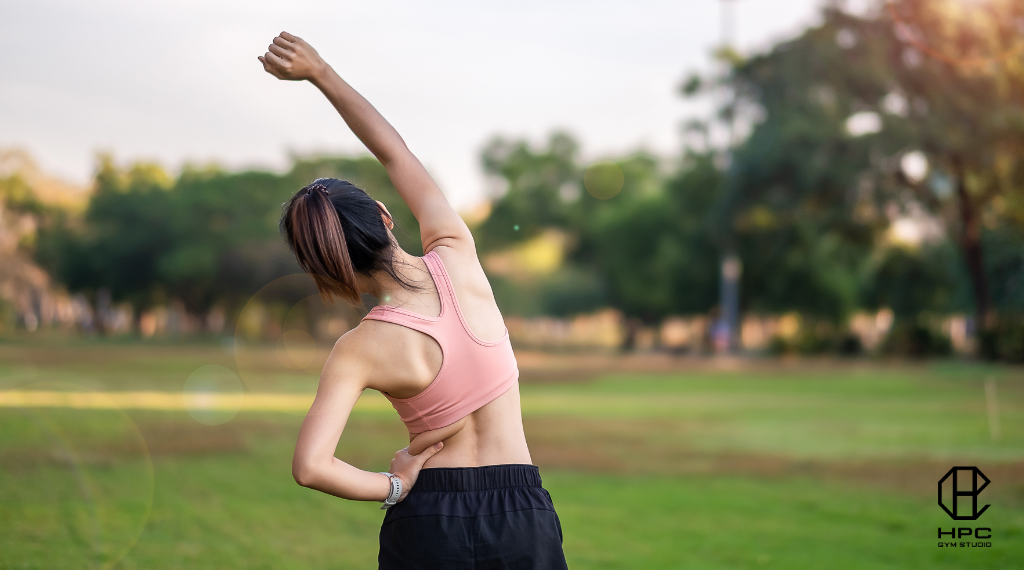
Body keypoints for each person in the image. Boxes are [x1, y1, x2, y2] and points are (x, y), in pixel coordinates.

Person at [259, 32, 569, 570]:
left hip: (427, 519)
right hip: (520, 514)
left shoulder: (359, 348)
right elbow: (392, 151)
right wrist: (320, 72)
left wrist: (394, 486)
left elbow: (311, 466)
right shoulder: (456, 255)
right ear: (383, 214)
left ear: (330, 270)